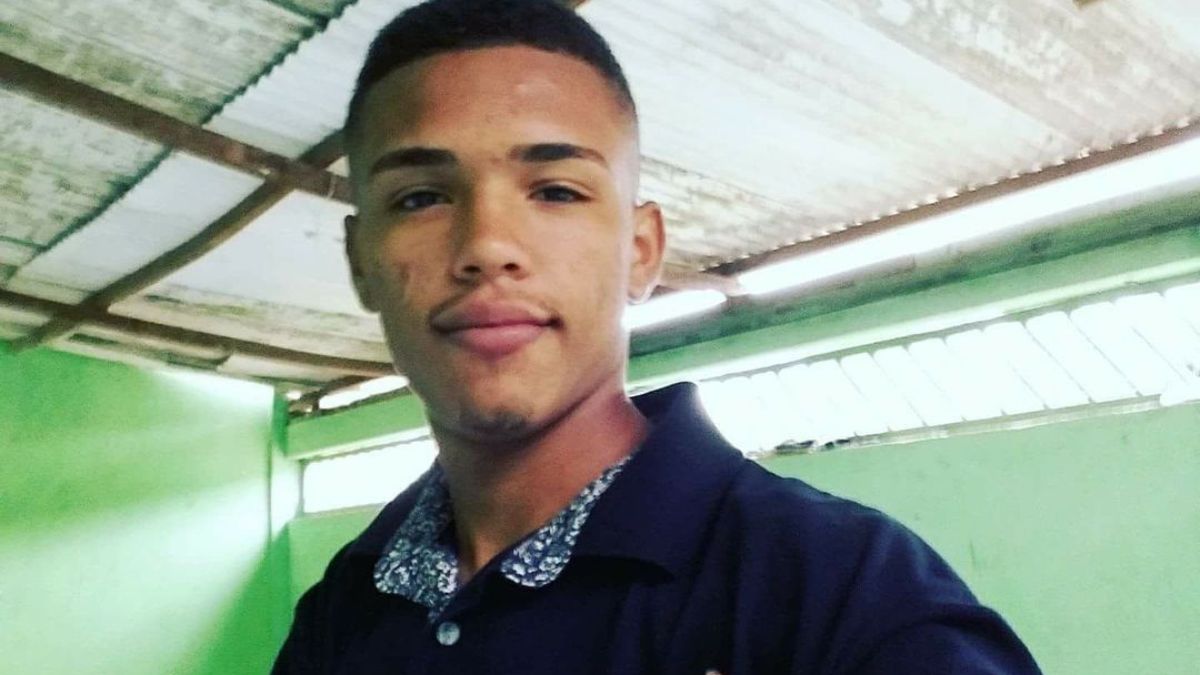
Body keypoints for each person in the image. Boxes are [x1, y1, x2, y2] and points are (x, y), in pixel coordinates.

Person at [273, 1, 1042, 672]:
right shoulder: (343, 609)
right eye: (419, 197)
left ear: (641, 251)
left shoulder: (846, 596)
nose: (486, 245)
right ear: (360, 262)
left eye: (555, 190)